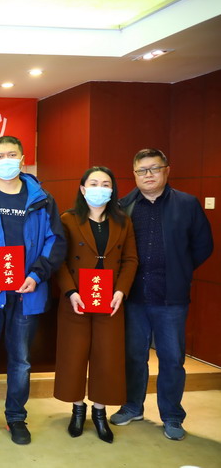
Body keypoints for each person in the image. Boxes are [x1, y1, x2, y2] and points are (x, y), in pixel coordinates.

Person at [0, 135, 66, 445]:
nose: (7, 160)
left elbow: (55, 241)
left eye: (12, 155)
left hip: (27, 292)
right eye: (0, 155)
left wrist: (37, 275)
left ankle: (16, 417)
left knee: (21, 360)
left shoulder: (42, 198)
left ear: (22, 159)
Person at [111, 148, 213, 441]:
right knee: (133, 357)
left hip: (171, 297)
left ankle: (172, 416)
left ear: (167, 169)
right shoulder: (124, 205)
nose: (148, 175)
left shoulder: (187, 204)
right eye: (142, 170)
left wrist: (180, 269)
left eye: (154, 168)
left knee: (171, 359)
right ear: (134, 174)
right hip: (134, 297)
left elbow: (203, 245)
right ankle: (132, 407)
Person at [53, 167, 138, 443]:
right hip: (76, 297)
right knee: (74, 355)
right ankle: (77, 409)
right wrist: (70, 292)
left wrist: (121, 291)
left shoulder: (123, 221)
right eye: (93, 183)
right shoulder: (67, 219)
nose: (99, 188)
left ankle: (100, 412)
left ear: (112, 190)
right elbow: (59, 260)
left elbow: (130, 260)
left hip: (109, 299)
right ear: (82, 189)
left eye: (105, 184)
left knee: (107, 356)